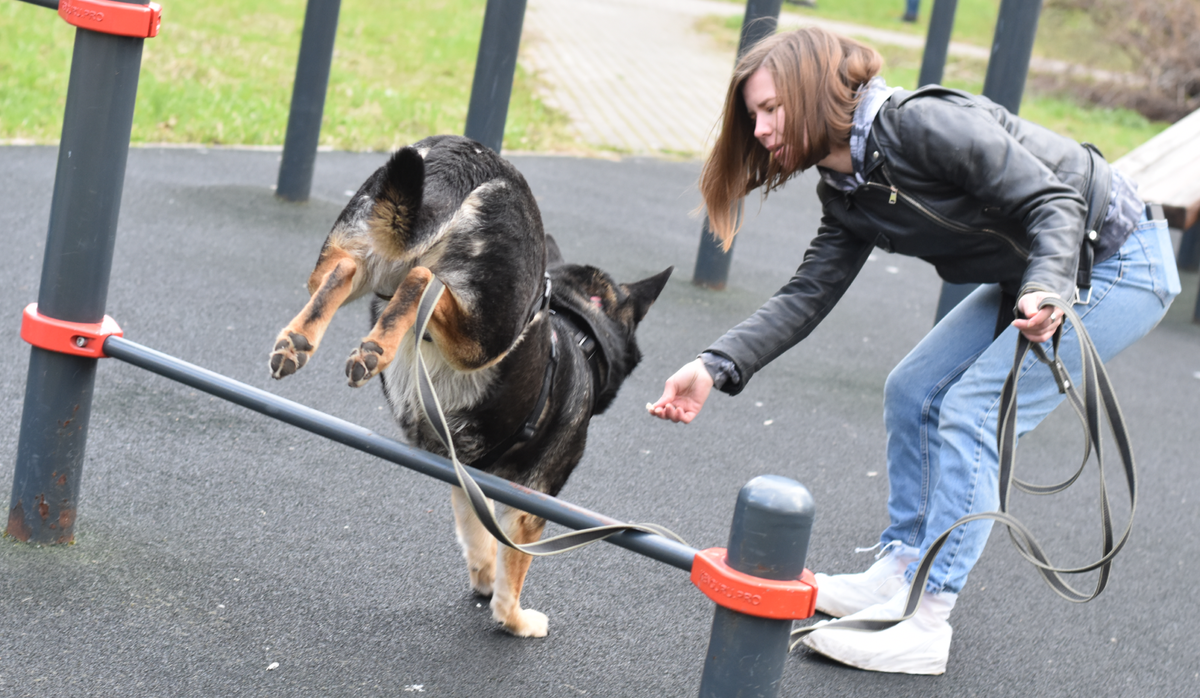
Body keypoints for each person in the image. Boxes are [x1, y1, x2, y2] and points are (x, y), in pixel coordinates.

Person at [648, 27, 1180, 675]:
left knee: (969, 410)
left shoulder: (922, 125)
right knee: (913, 389)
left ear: (813, 93)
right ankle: (898, 567)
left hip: (1115, 257)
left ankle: (927, 618)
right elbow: (807, 295)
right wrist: (714, 364)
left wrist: (1048, 288)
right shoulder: (846, 190)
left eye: (771, 109)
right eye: (752, 115)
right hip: (1037, 267)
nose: (759, 129)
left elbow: (1054, 200)